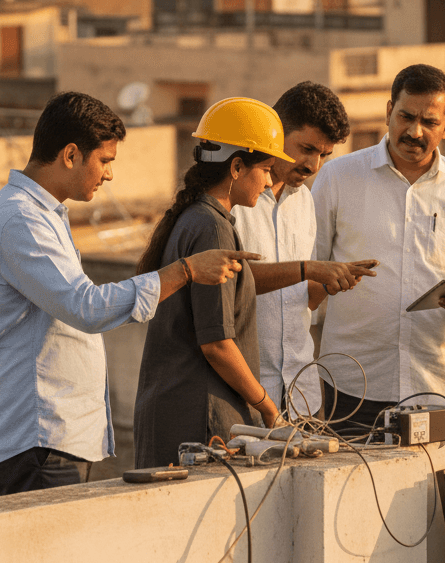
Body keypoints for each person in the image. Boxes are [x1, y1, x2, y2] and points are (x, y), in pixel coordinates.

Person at [0, 91, 258, 497]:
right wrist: (186, 270)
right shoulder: (21, 218)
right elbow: (85, 307)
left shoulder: (41, 214)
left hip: (53, 441)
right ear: (71, 155)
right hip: (35, 441)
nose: (108, 175)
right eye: (104, 161)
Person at [132, 98, 375, 466]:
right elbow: (216, 341)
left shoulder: (212, 218)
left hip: (249, 397)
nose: (268, 177)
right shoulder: (212, 226)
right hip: (206, 407)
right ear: (236, 167)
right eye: (265, 167)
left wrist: (328, 279)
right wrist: (265, 405)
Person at [312, 63, 445, 434]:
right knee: (348, 488)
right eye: (406, 116)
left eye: (429, 122)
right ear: (388, 112)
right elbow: (308, 272)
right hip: (352, 382)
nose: (415, 131)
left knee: (434, 489)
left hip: (439, 383)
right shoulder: (338, 177)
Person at [232, 81, 377, 418]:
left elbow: (302, 302)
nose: (314, 166)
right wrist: (309, 268)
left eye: (323, 155)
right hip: (246, 393)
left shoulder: (305, 203)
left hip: (300, 392)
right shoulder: (233, 198)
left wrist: (328, 283)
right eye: (306, 148)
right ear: (276, 133)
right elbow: (230, 283)